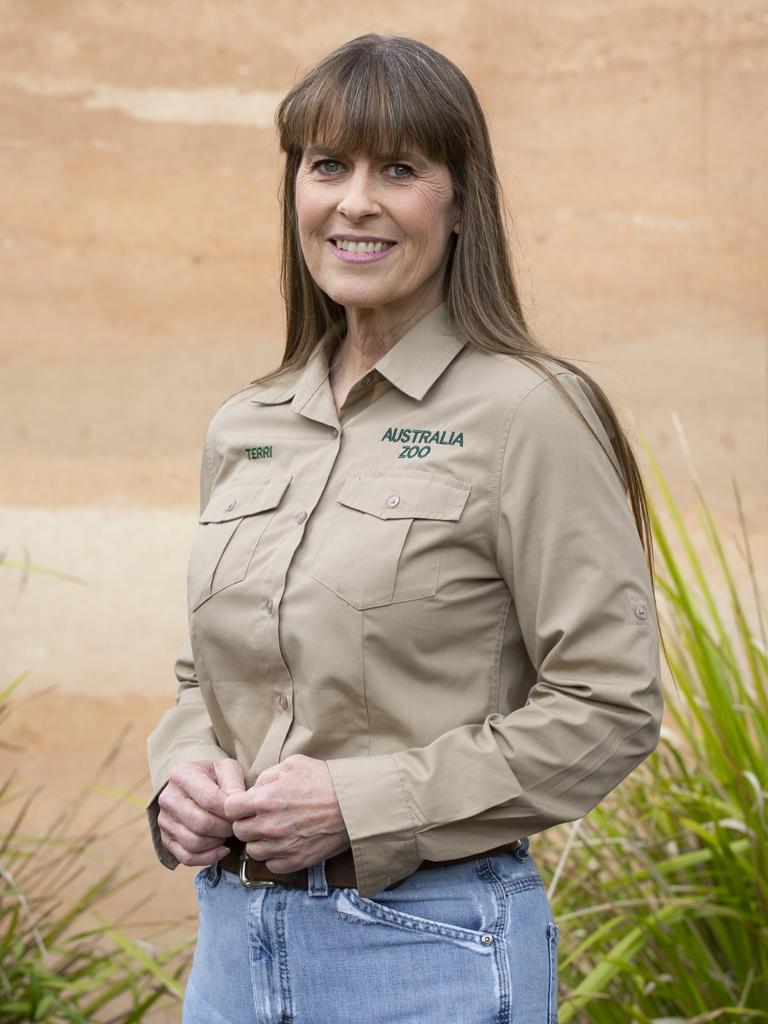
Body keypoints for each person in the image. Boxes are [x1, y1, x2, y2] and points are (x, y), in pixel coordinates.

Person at [145, 33, 664, 1024]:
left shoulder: (530, 413)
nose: (355, 202)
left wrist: (365, 803)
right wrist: (183, 776)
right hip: (231, 958)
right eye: (328, 164)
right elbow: (203, 676)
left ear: (461, 200)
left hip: (433, 958)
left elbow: (611, 702)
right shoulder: (247, 425)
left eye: (399, 169)